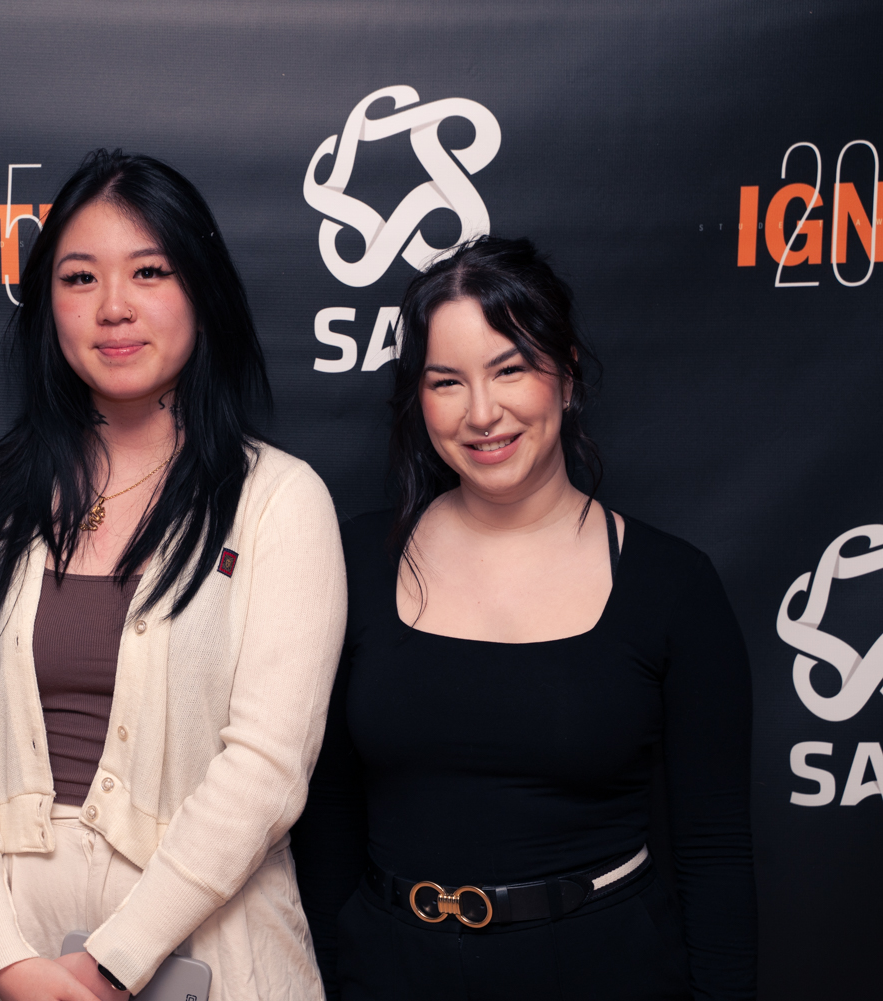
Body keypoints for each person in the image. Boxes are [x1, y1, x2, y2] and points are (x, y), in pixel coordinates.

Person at [0, 149, 347, 1001]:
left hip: (215, 955)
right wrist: (4, 959)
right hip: (10, 962)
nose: (114, 308)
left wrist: (113, 960)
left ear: (202, 293)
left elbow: (266, 768)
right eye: (80, 278)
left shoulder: (278, 502)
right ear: (48, 308)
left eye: (150, 271)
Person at [291, 237, 756, 1000]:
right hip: (392, 974)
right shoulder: (352, 562)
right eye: (447, 381)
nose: (482, 413)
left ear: (566, 374)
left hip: (607, 971)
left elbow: (714, 852)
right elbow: (328, 822)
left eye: (510, 368)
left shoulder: (673, 584)